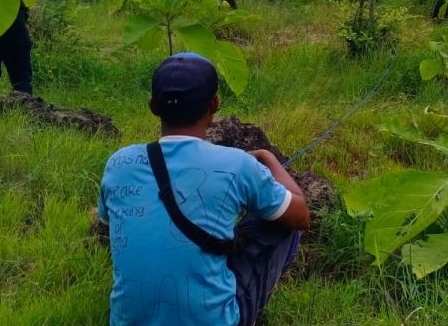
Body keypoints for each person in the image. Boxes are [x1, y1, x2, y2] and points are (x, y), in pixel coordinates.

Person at [99, 53, 310, 326]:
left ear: (153, 106)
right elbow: (302, 216)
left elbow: (107, 221)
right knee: (282, 220)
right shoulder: (238, 163)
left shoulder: (119, 163)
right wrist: (268, 158)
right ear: (215, 104)